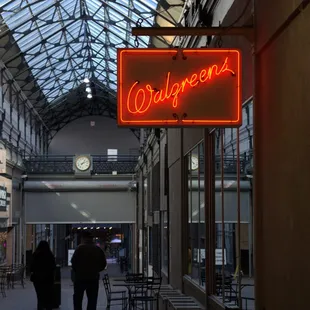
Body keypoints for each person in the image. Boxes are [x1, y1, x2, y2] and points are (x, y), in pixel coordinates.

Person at [71, 231, 107, 310]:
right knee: (92, 301)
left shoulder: (79, 249)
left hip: (80, 278)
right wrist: (96, 270)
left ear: (83, 238)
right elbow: (103, 264)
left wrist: (78, 271)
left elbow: (73, 262)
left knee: (78, 300)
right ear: (92, 239)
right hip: (93, 278)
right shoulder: (97, 249)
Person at [30, 241, 56, 310]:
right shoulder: (50, 255)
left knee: (40, 298)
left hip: (37, 279)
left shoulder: (35, 255)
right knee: (48, 298)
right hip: (48, 279)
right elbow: (53, 267)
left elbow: (31, 268)